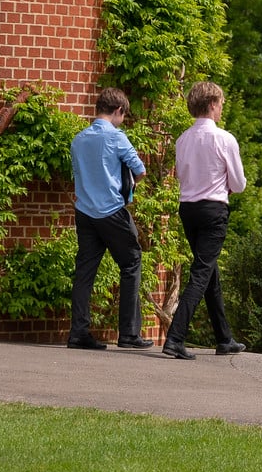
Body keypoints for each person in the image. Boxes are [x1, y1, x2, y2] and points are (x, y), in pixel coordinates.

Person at [163, 80, 248, 361]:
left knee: (208, 271)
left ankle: (224, 338)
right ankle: (175, 338)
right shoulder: (224, 139)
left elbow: (181, 177)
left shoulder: (182, 139)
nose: (222, 108)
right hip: (213, 210)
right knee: (201, 273)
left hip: (188, 209)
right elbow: (238, 183)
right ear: (212, 104)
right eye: (221, 104)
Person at [66, 87, 148, 352]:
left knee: (84, 273)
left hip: (85, 212)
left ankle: (78, 333)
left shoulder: (78, 140)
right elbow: (140, 170)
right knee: (132, 262)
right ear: (118, 111)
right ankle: (128, 333)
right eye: (124, 115)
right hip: (112, 211)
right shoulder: (116, 137)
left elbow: (77, 175)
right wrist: (128, 190)